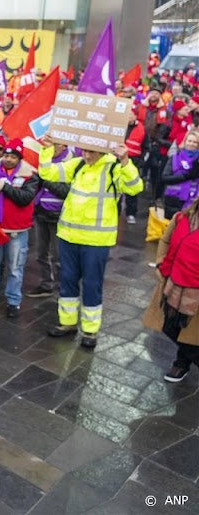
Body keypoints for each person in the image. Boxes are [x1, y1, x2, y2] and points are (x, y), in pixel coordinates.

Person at [38, 138, 143, 348]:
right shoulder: (77, 164)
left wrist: (125, 161)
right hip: (69, 235)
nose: (87, 156)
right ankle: (67, 322)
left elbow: (134, 188)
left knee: (92, 284)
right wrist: (47, 149)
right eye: (85, 151)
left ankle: (90, 330)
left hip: (96, 240)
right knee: (67, 280)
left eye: (92, 152)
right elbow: (47, 173)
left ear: (103, 151)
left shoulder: (113, 167)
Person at [0, 138, 41, 319]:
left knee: (14, 267)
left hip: (17, 230)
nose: (8, 159)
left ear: (19, 158)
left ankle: (13, 300)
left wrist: (4, 186)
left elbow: (25, 198)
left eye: (13, 156)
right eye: (6, 155)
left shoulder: (30, 175)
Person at [148, 198, 199, 382]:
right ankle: (185, 360)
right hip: (174, 282)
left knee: (191, 329)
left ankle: (181, 363)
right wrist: (161, 262)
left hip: (196, 289)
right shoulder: (181, 217)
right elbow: (165, 240)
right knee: (171, 325)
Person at [26, 141, 73, 299]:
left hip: (58, 216)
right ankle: (46, 284)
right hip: (41, 212)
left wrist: (45, 180)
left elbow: (67, 192)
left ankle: (63, 287)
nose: (50, 148)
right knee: (41, 253)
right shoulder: (45, 161)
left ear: (64, 146)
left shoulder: (71, 164)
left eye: (55, 145)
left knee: (59, 255)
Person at [162, 130, 199, 218]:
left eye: (195, 142)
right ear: (185, 141)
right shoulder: (174, 158)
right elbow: (165, 178)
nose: (191, 144)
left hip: (193, 201)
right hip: (173, 199)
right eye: (189, 141)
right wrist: (185, 176)